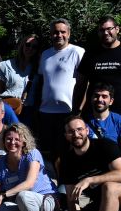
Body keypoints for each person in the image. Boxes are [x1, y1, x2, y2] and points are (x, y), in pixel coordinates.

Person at [36, 19, 85, 158]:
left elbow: (84, 83)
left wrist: (79, 109)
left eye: (63, 32)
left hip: (68, 111)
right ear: (51, 34)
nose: (59, 35)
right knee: (49, 152)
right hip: (45, 111)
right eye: (55, 32)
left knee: (67, 152)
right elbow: (41, 81)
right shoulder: (45, 54)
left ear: (69, 34)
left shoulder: (78, 52)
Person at [79, 16, 121, 116]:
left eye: (109, 29)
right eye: (101, 30)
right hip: (95, 113)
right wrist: (77, 109)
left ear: (117, 29)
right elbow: (81, 84)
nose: (105, 33)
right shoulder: (90, 53)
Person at [84, 83, 121, 167]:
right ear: (91, 98)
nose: (99, 99)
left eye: (104, 96)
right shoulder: (82, 122)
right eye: (96, 95)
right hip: (90, 169)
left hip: (114, 169)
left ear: (111, 101)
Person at [0, 34, 39, 122]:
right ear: (22, 45)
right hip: (9, 108)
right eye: (28, 45)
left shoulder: (38, 68)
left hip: (28, 111)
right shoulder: (6, 65)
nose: (30, 48)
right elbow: (0, 91)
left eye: (34, 46)